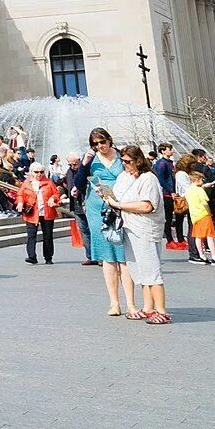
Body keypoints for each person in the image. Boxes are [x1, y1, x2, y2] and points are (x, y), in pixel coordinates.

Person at [104, 145, 169, 325]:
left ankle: (161, 310)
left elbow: (147, 206)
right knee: (138, 269)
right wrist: (105, 195)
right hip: (129, 227)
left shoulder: (148, 179)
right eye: (122, 161)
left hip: (145, 228)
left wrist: (119, 205)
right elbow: (117, 196)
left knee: (151, 269)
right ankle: (148, 307)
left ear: (138, 161)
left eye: (128, 161)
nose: (124, 165)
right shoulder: (124, 177)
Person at [83, 128, 129, 314]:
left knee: (124, 255)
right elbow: (78, 183)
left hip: (120, 205)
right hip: (97, 208)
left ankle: (131, 302)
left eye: (102, 142)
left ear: (110, 140)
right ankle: (114, 303)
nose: (99, 146)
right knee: (107, 255)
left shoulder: (122, 156)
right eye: (95, 144)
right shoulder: (90, 159)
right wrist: (84, 164)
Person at [15, 162, 61, 265]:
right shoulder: (26, 183)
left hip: (47, 211)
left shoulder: (49, 182)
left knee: (48, 236)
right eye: (36, 172)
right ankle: (32, 256)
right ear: (31, 172)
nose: (39, 174)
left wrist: (52, 198)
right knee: (31, 235)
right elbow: (20, 194)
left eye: (41, 172)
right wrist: (21, 202)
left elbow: (56, 193)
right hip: (32, 212)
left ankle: (48, 257)